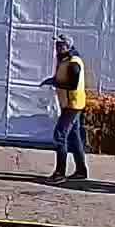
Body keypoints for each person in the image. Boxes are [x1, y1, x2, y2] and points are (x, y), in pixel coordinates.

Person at [40, 34, 90, 183]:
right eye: (56, 45)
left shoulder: (74, 63)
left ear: (67, 47)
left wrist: (55, 84)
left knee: (59, 136)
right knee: (74, 137)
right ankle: (81, 171)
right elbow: (63, 79)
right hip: (69, 104)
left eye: (59, 45)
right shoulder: (64, 60)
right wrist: (52, 80)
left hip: (73, 105)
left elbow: (72, 85)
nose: (56, 48)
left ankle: (60, 173)